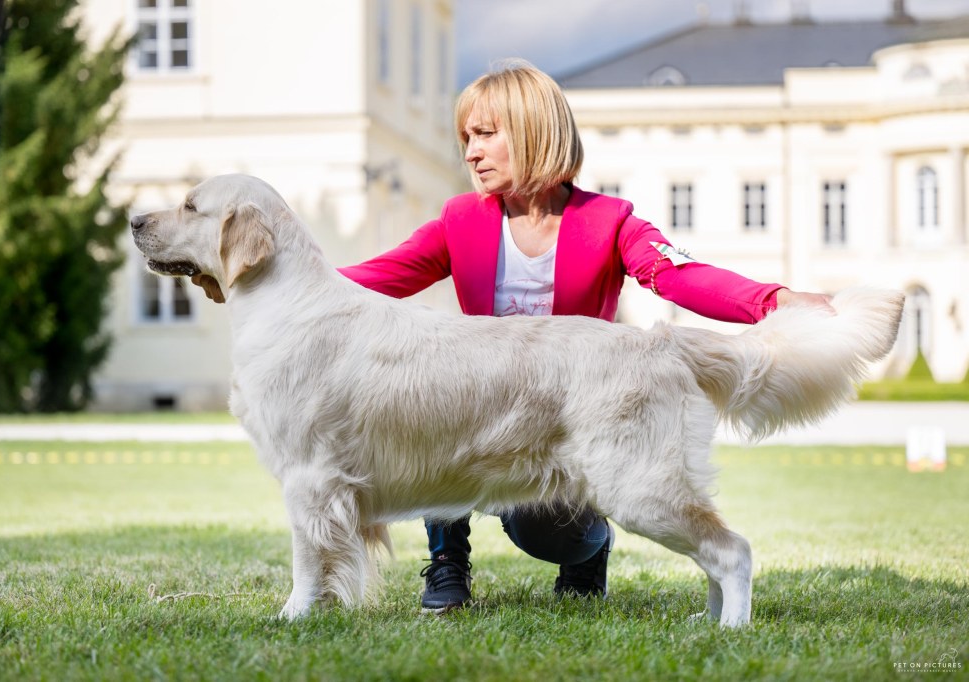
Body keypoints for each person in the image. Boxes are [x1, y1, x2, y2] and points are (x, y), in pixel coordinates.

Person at [197, 59, 830, 612]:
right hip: (473, 405)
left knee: (558, 532)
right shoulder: (460, 221)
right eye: (465, 138)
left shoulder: (608, 221)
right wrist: (258, 280)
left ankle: (589, 549)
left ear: (532, 132)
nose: (470, 152)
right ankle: (448, 563)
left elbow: (677, 275)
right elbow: (374, 278)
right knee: (423, 393)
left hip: (572, 406)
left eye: (485, 134)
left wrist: (772, 301)